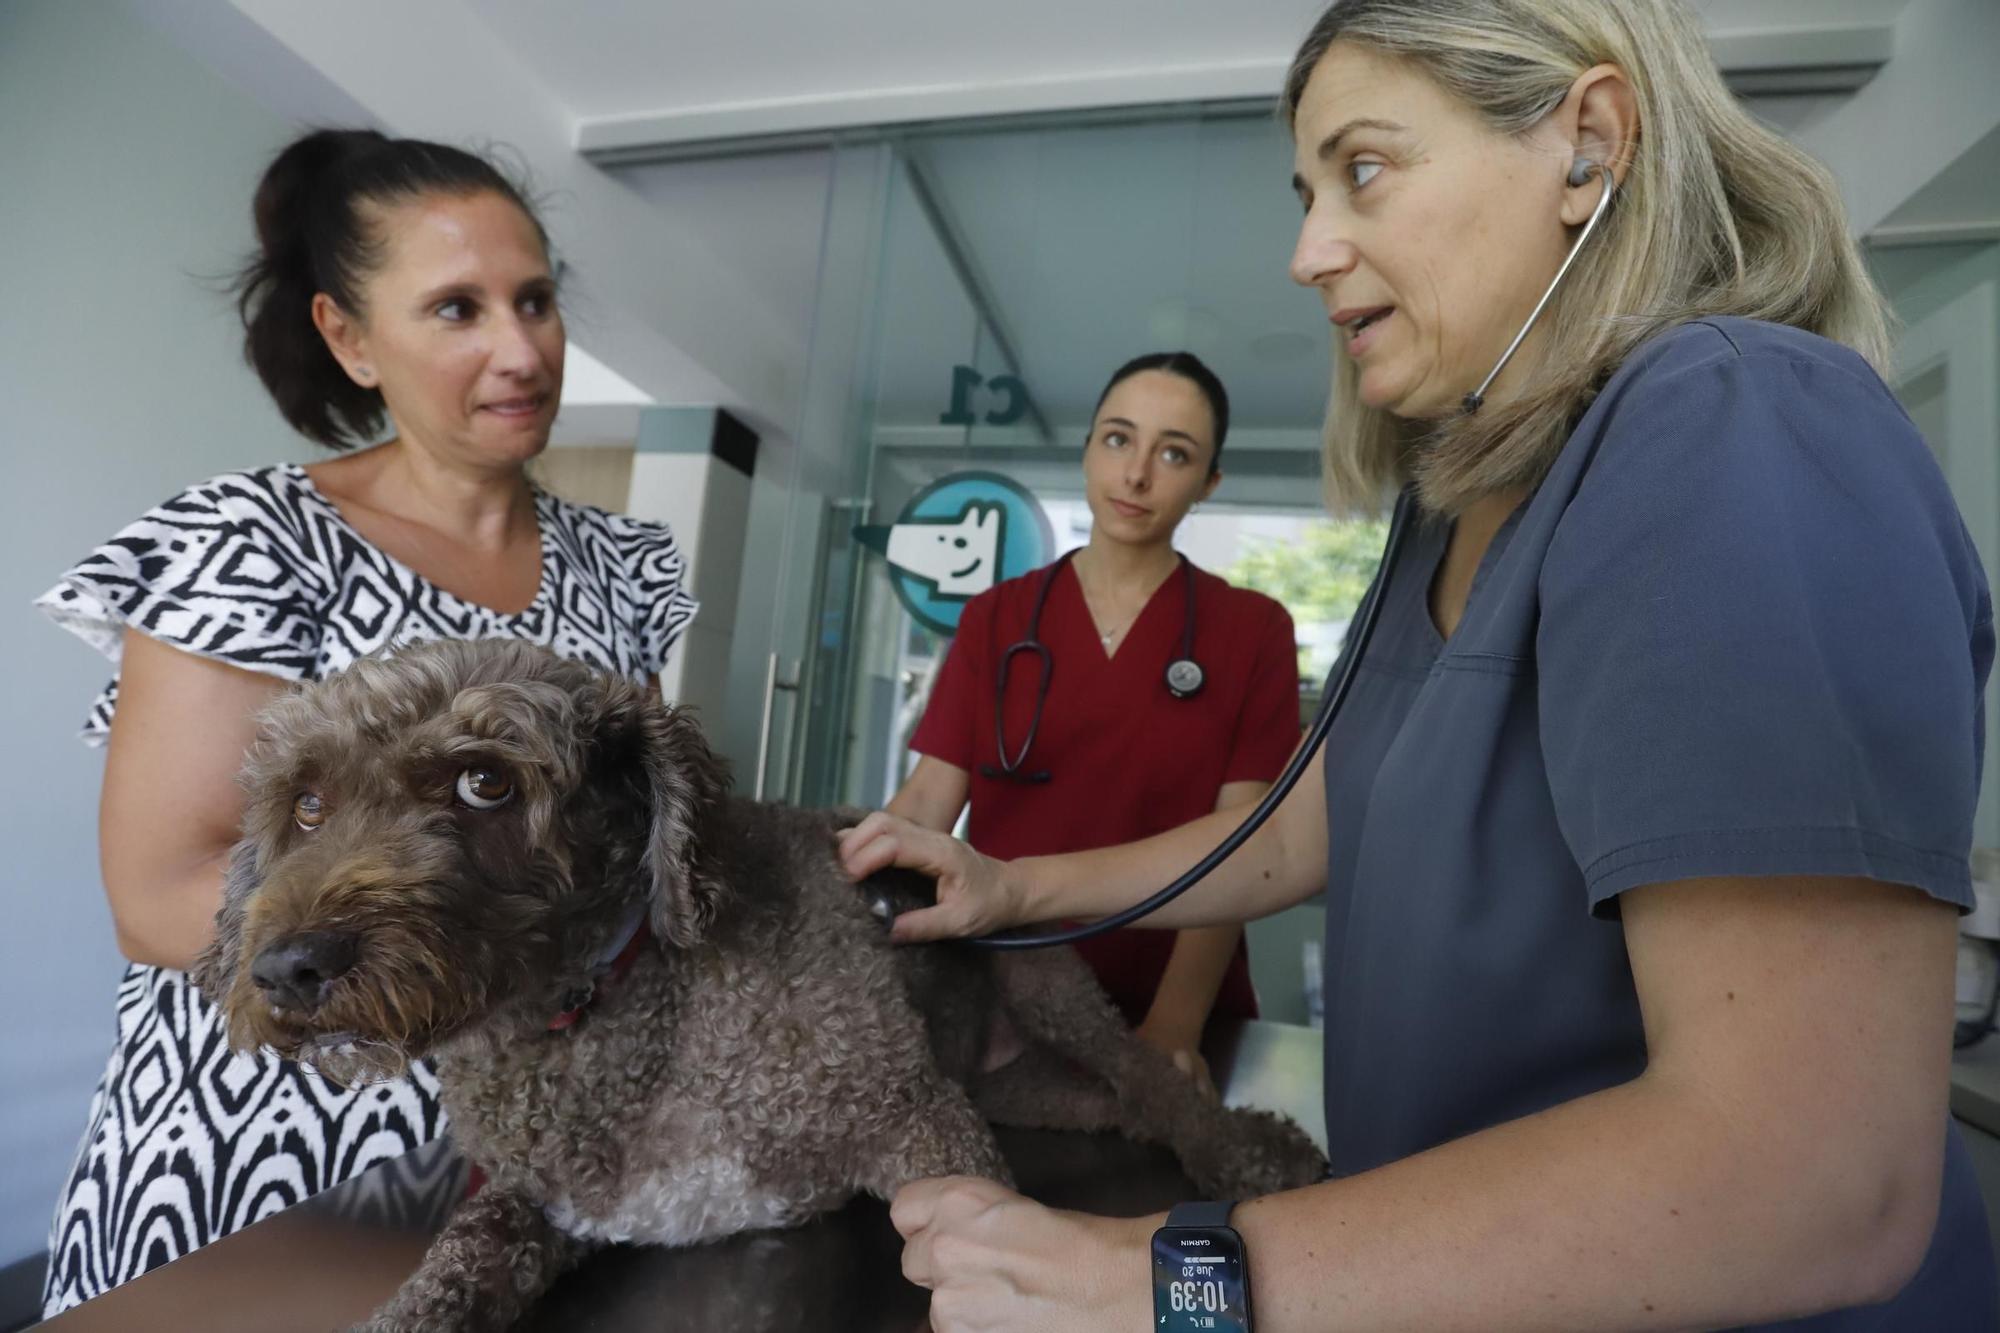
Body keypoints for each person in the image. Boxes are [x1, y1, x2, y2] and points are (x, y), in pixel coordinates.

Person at [837, 0, 2000, 1327]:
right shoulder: (1449, 509)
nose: (1306, 253)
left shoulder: (1737, 427)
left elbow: (1812, 1177)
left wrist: (1161, 1282)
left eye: (1364, 168)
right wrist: (1011, 884)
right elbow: (1308, 824)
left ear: (1588, 142)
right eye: (1307, 193)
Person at [33, 129, 696, 1315]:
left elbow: (625, 847)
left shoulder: (621, 563)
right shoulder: (250, 541)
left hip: (541, 1148)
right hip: (265, 1162)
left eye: (534, 300)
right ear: (349, 337)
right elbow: (161, 895)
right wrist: (451, 944)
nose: (520, 348)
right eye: (457, 309)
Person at [886, 352, 1300, 1090]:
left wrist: (1172, 1026)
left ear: (1208, 483)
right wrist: (843, 906)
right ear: (1086, 450)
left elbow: (1243, 846)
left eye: (1174, 453)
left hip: (1174, 1013)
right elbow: (925, 803)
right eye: (1117, 439)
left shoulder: (1253, 631)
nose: (1136, 474)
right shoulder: (996, 618)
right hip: (1003, 997)